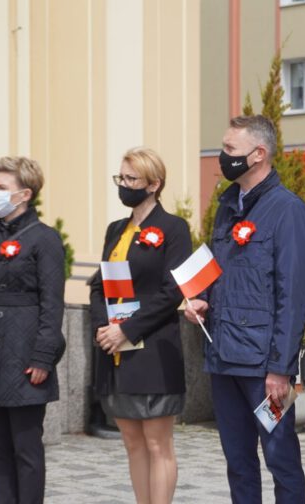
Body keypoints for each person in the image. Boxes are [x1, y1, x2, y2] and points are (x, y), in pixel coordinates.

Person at [183, 115, 305, 504]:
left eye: (230, 149)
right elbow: (222, 274)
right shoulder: (227, 206)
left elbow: (294, 295)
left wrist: (280, 368)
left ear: (258, 154)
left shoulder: (288, 210)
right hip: (224, 359)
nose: (222, 156)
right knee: (237, 462)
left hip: (264, 369)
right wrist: (201, 300)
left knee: (281, 459)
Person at [89, 147, 191, 504]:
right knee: (132, 442)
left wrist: (127, 330)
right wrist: (103, 327)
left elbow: (172, 291)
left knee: (157, 443)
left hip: (153, 350)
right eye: (121, 177)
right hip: (116, 350)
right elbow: (99, 285)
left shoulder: (173, 228)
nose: (124, 185)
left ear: (154, 184)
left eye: (132, 179)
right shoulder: (116, 230)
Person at [0, 156, 66, 504]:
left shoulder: (45, 239)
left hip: (24, 355)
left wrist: (43, 357)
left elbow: (52, 304)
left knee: (26, 448)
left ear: (24, 194)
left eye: (2, 187)